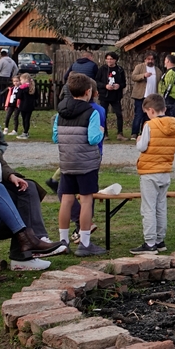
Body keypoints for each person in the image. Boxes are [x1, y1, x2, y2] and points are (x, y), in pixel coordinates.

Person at [53, 73, 105, 256]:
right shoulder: (92, 113)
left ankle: (63, 241)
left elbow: (55, 137)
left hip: (67, 162)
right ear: (88, 91)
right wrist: (101, 132)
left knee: (66, 200)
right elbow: (93, 139)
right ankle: (84, 243)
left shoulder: (59, 113)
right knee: (85, 200)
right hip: (86, 164)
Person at [131, 93, 175, 254]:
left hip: (149, 172)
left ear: (151, 110)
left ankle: (150, 242)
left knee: (148, 208)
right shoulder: (174, 124)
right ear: (164, 108)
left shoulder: (149, 125)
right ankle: (160, 240)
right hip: (165, 171)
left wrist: (139, 140)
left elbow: (142, 147)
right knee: (161, 207)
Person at [96, 51, 127, 140]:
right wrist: (105, 86)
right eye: (108, 59)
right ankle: (105, 134)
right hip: (104, 96)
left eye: (111, 59)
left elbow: (124, 83)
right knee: (103, 114)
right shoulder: (102, 69)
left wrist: (119, 86)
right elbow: (97, 81)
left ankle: (120, 134)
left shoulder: (120, 70)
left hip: (116, 96)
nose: (109, 61)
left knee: (119, 114)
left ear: (115, 60)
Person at [131, 51, 160, 139]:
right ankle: (134, 133)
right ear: (145, 59)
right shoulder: (139, 67)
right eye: (148, 59)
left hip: (151, 98)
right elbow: (133, 77)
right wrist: (143, 75)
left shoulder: (158, 70)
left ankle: (144, 132)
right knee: (138, 115)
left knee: (148, 116)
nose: (150, 61)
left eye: (152, 59)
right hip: (140, 96)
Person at [15, 73, 37, 140]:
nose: (20, 81)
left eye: (21, 80)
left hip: (23, 106)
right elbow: (36, 96)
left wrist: (19, 91)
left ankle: (25, 132)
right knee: (27, 119)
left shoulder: (22, 88)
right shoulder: (32, 87)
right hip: (30, 106)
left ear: (25, 80)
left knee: (24, 119)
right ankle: (26, 132)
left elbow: (19, 96)